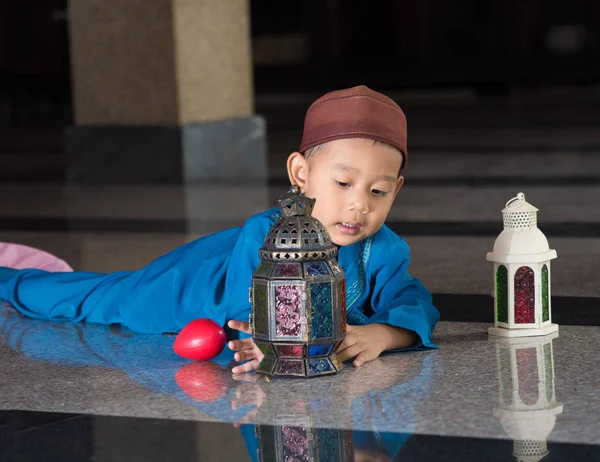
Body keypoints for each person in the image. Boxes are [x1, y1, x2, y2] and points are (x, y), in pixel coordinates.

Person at [0, 85, 439, 373]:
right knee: (94, 299)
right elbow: (244, 308)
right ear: (300, 173)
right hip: (182, 289)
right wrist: (264, 341)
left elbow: (411, 300)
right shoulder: (263, 233)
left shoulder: (384, 249)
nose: (359, 203)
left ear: (396, 189)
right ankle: (11, 279)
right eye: (342, 183)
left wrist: (385, 334)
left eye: (379, 191)